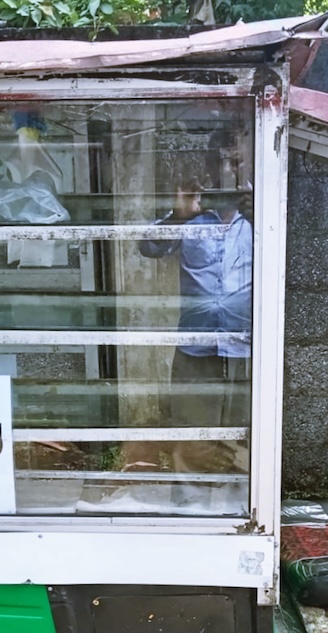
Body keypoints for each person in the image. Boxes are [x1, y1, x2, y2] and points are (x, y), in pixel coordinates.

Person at [138, 128, 253, 481]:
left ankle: (238, 518)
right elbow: (148, 247)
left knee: (244, 444)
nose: (230, 173)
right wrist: (179, 215)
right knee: (191, 441)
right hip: (195, 348)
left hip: (247, 350)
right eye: (221, 163)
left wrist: (257, 209)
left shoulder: (262, 218)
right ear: (208, 168)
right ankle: (191, 513)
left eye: (237, 163)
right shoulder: (192, 216)